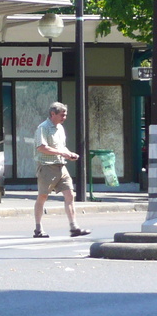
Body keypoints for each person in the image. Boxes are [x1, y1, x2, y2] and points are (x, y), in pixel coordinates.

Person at [34, 102, 90, 238]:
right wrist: (62, 153)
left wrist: (70, 154)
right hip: (47, 166)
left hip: (61, 166)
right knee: (43, 196)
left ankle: (74, 227)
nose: (64, 117)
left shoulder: (60, 128)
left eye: (65, 114)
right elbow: (41, 147)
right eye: (62, 115)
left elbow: (61, 147)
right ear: (53, 114)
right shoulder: (43, 128)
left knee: (70, 195)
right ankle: (38, 228)